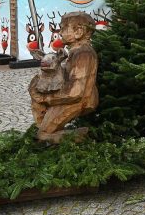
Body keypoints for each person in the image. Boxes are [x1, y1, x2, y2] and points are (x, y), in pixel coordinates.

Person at [28, 12, 98, 142]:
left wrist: (46, 98)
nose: (60, 33)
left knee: (42, 135)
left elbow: (76, 92)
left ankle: (80, 137)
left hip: (77, 101)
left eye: (64, 28)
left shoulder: (84, 53)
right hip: (67, 98)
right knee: (42, 129)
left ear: (79, 31)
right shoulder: (75, 52)